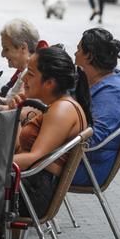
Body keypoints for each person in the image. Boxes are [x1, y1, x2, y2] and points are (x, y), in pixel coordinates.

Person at [7, 45, 91, 218]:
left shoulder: (62, 110)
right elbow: (19, 149)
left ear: (50, 83)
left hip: (32, 193)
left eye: (30, 74)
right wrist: (15, 115)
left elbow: (34, 158)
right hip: (26, 183)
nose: (24, 80)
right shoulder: (54, 106)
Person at [71, 28, 120, 187]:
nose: (74, 54)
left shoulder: (113, 94)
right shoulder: (92, 80)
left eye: (78, 49)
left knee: (16, 167)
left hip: (89, 167)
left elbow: (91, 141)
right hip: (78, 159)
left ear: (89, 55)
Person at [0, 18, 43, 105]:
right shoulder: (25, 71)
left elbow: (17, 112)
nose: (2, 54)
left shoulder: (31, 76)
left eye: (6, 49)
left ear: (23, 48)